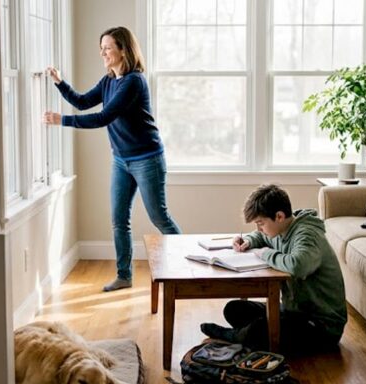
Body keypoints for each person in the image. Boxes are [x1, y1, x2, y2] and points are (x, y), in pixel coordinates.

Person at [43, 26, 181, 292]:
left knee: (159, 217)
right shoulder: (109, 80)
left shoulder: (133, 81)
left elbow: (103, 117)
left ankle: (187, 270)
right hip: (121, 161)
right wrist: (60, 83)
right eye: (101, 48)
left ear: (123, 49)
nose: (102, 53)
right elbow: (83, 103)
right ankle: (124, 276)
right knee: (119, 219)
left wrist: (61, 120)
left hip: (147, 159)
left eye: (107, 48)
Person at [200, 184, 347, 355]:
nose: (258, 228)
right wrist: (248, 240)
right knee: (234, 309)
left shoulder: (307, 235)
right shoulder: (282, 228)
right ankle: (250, 334)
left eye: (260, 223)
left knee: (259, 329)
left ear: (279, 216)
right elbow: (262, 236)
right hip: (294, 313)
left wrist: (265, 254)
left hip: (320, 327)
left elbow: (298, 265)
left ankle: (234, 336)